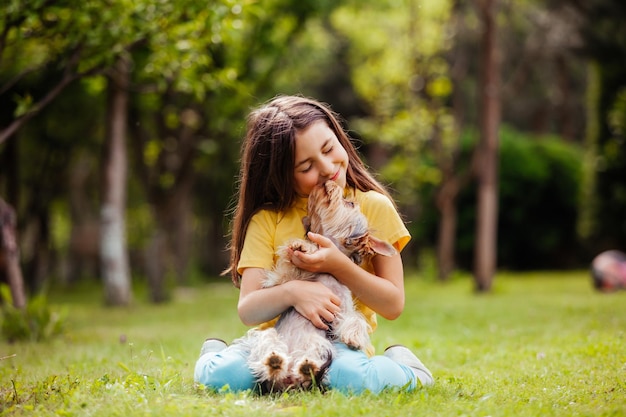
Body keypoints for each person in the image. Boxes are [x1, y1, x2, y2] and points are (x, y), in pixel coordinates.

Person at [194, 95, 434, 394]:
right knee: (224, 376)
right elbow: (249, 310)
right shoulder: (268, 219)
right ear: (281, 175)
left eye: (328, 148)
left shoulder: (371, 207)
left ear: (339, 136)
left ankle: (408, 369)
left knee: (351, 380)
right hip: (275, 345)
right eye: (306, 166)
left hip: (340, 345)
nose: (326, 167)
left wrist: (338, 265)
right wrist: (294, 291)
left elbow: (393, 304)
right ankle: (213, 353)